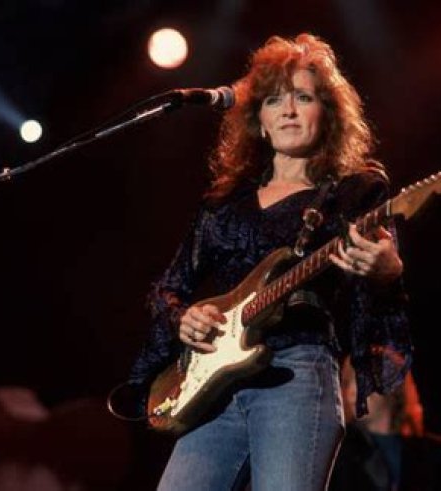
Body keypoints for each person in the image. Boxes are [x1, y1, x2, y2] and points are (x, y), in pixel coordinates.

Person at [126, 33, 413, 491]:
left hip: (296, 376)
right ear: (257, 120)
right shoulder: (223, 205)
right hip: (213, 387)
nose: (289, 110)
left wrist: (388, 271)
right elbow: (168, 288)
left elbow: (377, 285)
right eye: (275, 100)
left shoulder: (352, 194)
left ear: (328, 114)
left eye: (304, 97)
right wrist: (185, 318)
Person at [329, 355, 441, 491]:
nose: (351, 391)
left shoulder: (435, 453)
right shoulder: (337, 449)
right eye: (348, 382)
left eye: (362, 381)